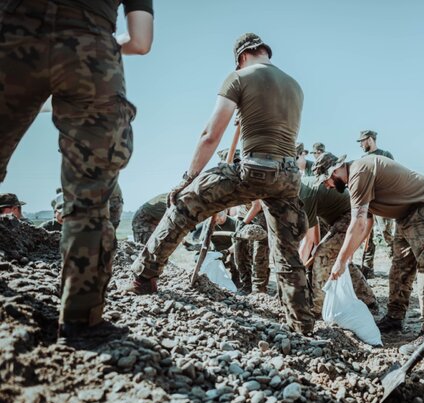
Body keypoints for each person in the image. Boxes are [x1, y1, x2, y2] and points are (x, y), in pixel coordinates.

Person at [128, 33, 314, 335]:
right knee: (287, 250)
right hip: (289, 177)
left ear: (241, 57)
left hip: (254, 169)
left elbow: (211, 135)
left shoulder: (238, 77)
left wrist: (188, 179)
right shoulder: (295, 86)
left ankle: (143, 277)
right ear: (264, 52)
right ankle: (302, 324)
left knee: (183, 205)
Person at [0, 0, 153, 342]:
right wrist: (95, 37)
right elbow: (140, 41)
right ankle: (80, 323)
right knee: (90, 193)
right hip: (90, 49)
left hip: (12, 37)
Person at [315, 153, 424, 355]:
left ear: (335, 170)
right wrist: (350, 253)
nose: (328, 186)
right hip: (404, 216)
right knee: (400, 267)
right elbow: (366, 222)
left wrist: (340, 260)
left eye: (327, 181)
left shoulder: (359, 171)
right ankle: (395, 317)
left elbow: (357, 223)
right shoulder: (356, 180)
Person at [298, 174, 377, 317]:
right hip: (342, 219)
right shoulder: (303, 188)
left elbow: (307, 240)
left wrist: (300, 267)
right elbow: (313, 225)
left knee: (324, 256)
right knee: (335, 257)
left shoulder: (304, 195)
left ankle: (318, 308)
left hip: (352, 216)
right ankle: (368, 300)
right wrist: (318, 246)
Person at [357, 130, 396, 279]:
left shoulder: (385, 155)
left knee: (385, 233)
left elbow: (393, 176)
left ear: (370, 140)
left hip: (382, 201)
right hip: (367, 201)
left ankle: (395, 265)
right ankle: (368, 267)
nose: (361, 144)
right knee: (367, 234)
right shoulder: (362, 159)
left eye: (362, 141)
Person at [234, 202, 270, 294]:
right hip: (242, 216)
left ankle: (259, 288)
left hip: (260, 216)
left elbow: (257, 205)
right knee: (239, 253)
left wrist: (243, 223)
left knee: (259, 255)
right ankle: (247, 285)